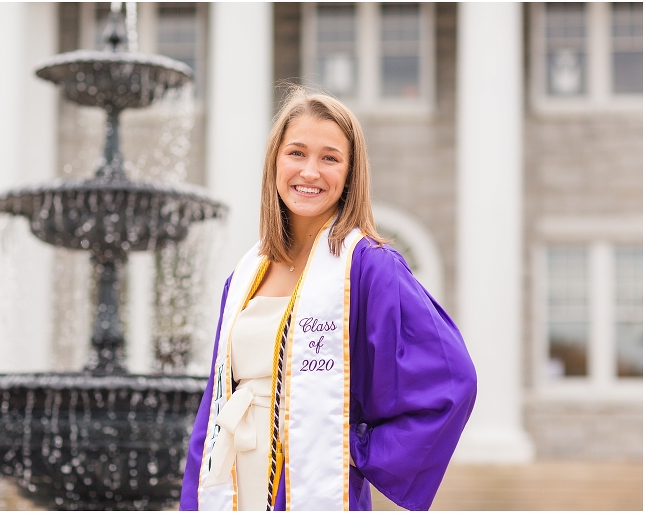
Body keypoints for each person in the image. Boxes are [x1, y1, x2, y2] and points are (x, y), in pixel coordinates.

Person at [180, 87, 476, 511]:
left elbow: (450, 380)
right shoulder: (246, 273)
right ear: (275, 162)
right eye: (296, 153)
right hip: (232, 478)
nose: (310, 171)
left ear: (350, 173)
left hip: (310, 479)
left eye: (330, 158)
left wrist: (359, 449)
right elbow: (217, 396)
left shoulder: (369, 267)